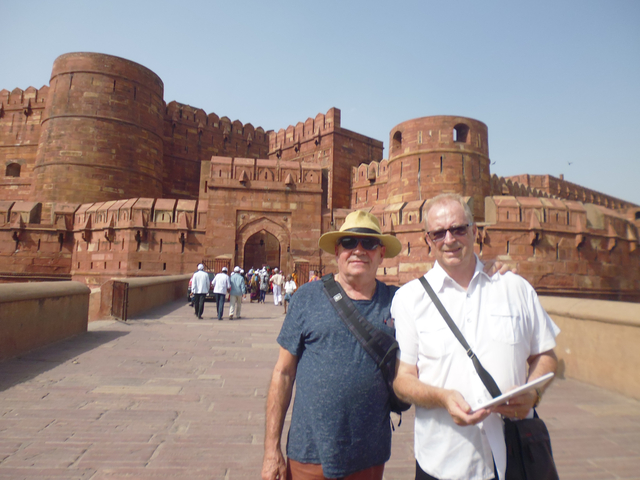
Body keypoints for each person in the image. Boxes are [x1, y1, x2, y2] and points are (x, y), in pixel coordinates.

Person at [391, 193, 560, 480]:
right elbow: (402, 380)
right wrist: (442, 397)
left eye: (459, 229)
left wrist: (534, 392)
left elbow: (545, 354)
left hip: (516, 455)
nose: (450, 239)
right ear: (426, 239)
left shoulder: (514, 287)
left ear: (475, 231)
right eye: (439, 232)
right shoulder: (410, 299)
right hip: (443, 460)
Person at [262, 210, 403, 480]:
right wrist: (271, 451)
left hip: (369, 456)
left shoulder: (399, 302)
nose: (359, 250)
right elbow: (283, 373)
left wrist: (494, 279)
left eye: (369, 243)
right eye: (349, 243)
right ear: (337, 250)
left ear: (381, 252)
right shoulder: (307, 298)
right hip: (308, 455)